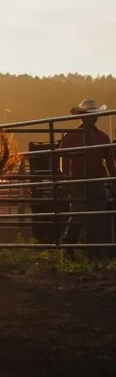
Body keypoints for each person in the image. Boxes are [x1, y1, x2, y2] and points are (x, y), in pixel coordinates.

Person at [58, 99, 115, 262]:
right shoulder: (73, 137)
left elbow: (110, 162)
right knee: (78, 215)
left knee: (97, 216)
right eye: (87, 115)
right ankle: (70, 247)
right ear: (82, 117)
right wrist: (69, 180)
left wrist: (113, 181)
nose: (90, 118)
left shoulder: (102, 137)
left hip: (96, 180)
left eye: (92, 115)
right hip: (79, 181)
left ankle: (93, 251)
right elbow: (64, 161)